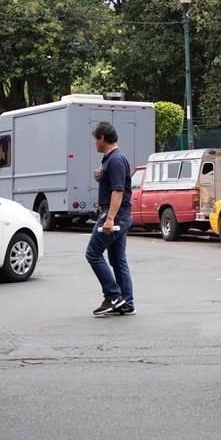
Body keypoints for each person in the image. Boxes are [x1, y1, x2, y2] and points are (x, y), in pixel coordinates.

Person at [86, 121, 135, 316]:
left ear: (102, 138)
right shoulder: (112, 159)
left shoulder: (115, 160)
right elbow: (114, 183)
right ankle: (126, 302)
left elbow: (118, 191)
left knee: (93, 254)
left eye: (95, 140)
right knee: (117, 259)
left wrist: (110, 219)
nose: (94, 144)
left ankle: (114, 296)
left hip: (114, 214)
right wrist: (101, 176)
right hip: (120, 214)